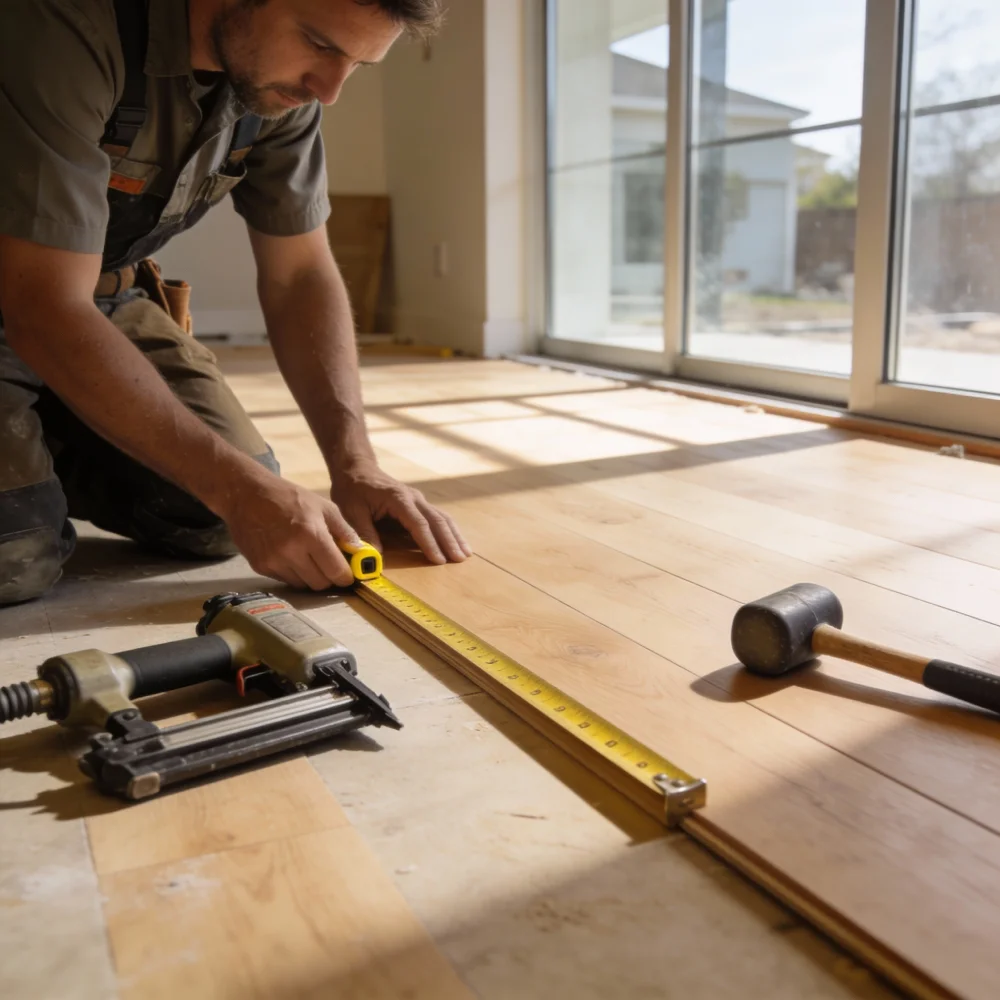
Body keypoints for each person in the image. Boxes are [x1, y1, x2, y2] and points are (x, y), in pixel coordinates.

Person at [0, 0, 470, 606]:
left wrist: (355, 463)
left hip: (101, 299)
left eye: (358, 65)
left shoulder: (278, 92)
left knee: (215, 518)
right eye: (320, 44)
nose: (329, 91)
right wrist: (237, 487)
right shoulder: (68, 29)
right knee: (16, 560)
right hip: (37, 298)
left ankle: (44, 444)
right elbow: (42, 303)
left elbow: (299, 273)